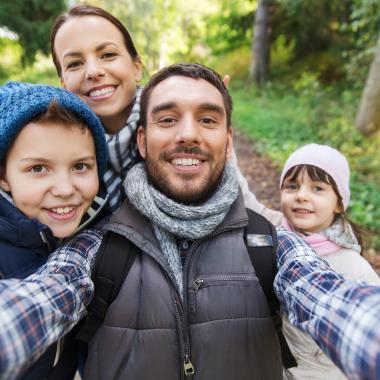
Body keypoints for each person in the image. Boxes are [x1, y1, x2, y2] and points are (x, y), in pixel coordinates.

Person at [1, 65, 380, 380]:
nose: (187, 134)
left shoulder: (272, 245)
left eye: (207, 119)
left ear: (228, 141)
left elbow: (333, 302)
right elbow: (38, 302)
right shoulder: (96, 248)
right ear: (143, 141)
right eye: (168, 118)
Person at [50, 4, 279, 223]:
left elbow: (248, 209)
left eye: (108, 55)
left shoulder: (180, 128)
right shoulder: (57, 144)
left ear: (136, 66)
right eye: (74, 64)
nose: (93, 71)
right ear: (63, 83)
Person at [0, 81, 108, 379]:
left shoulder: (93, 226)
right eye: (38, 168)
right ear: (4, 176)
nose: (64, 189)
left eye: (80, 167)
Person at [278, 143, 380, 379]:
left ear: (339, 203)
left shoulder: (354, 267)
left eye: (318, 188)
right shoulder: (273, 240)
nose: (301, 195)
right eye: (292, 186)